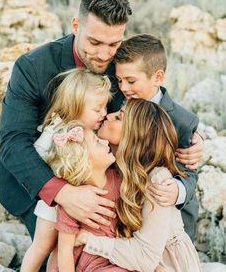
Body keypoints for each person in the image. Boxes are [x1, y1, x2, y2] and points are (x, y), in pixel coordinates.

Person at [0, 0, 202, 269]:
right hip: (42, 184)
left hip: (104, 185)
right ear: (75, 25)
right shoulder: (33, 67)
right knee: (57, 258)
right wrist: (64, 193)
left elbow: (154, 106)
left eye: (113, 44)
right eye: (94, 42)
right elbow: (13, 142)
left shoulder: (122, 69)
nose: (104, 55)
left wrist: (189, 137)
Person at [75, 99, 202, 272]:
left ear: (135, 135)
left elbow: (145, 258)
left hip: (167, 266)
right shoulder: (110, 167)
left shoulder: (158, 181)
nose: (108, 115)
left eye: (119, 117)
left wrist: (87, 239)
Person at [102, 34, 200, 240]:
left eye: (130, 81)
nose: (123, 87)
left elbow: (189, 172)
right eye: (119, 80)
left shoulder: (181, 121)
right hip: (129, 207)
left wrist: (178, 190)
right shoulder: (117, 100)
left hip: (169, 216)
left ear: (157, 77)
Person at [20, 68, 112, 272]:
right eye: (97, 109)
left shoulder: (90, 131)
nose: (104, 114)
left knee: (62, 248)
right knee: (42, 245)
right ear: (76, 106)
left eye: (105, 107)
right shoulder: (59, 129)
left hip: (79, 203)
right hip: (54, 202)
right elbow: (37, 154)